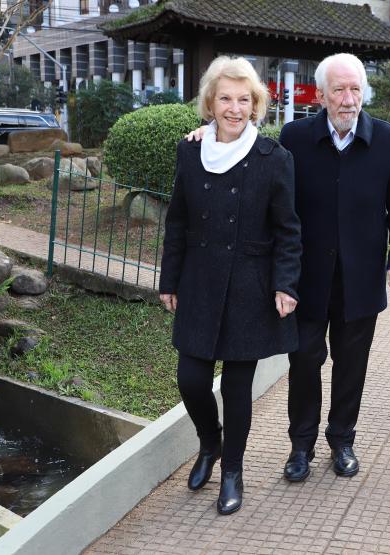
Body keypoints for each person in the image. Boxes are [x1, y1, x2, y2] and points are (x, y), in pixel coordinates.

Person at [159, 56, 301, 516]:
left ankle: (233, 472)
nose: (234, 108)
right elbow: (177, 221)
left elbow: (288, 231)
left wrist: (285, 284)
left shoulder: (274, 159)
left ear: (255, 104)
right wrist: (169, 279)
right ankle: (210, 443)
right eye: (225, 98)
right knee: (191, 380)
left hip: (249, 288)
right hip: (199, 282)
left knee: (238, 390)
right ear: (210, 103)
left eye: (243, 100)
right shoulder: (191, 150)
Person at [279, 53, 390, 482]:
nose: (348, 98)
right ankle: (300, 445)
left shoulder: (388, 140)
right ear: (321, 96)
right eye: (338, 90)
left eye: (355, 89)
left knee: (351, 364)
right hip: (305, 279)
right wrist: (207, 132)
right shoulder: (295, 138)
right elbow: (279, 207)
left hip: (360, 280)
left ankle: (342, 440)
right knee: (304, 361)